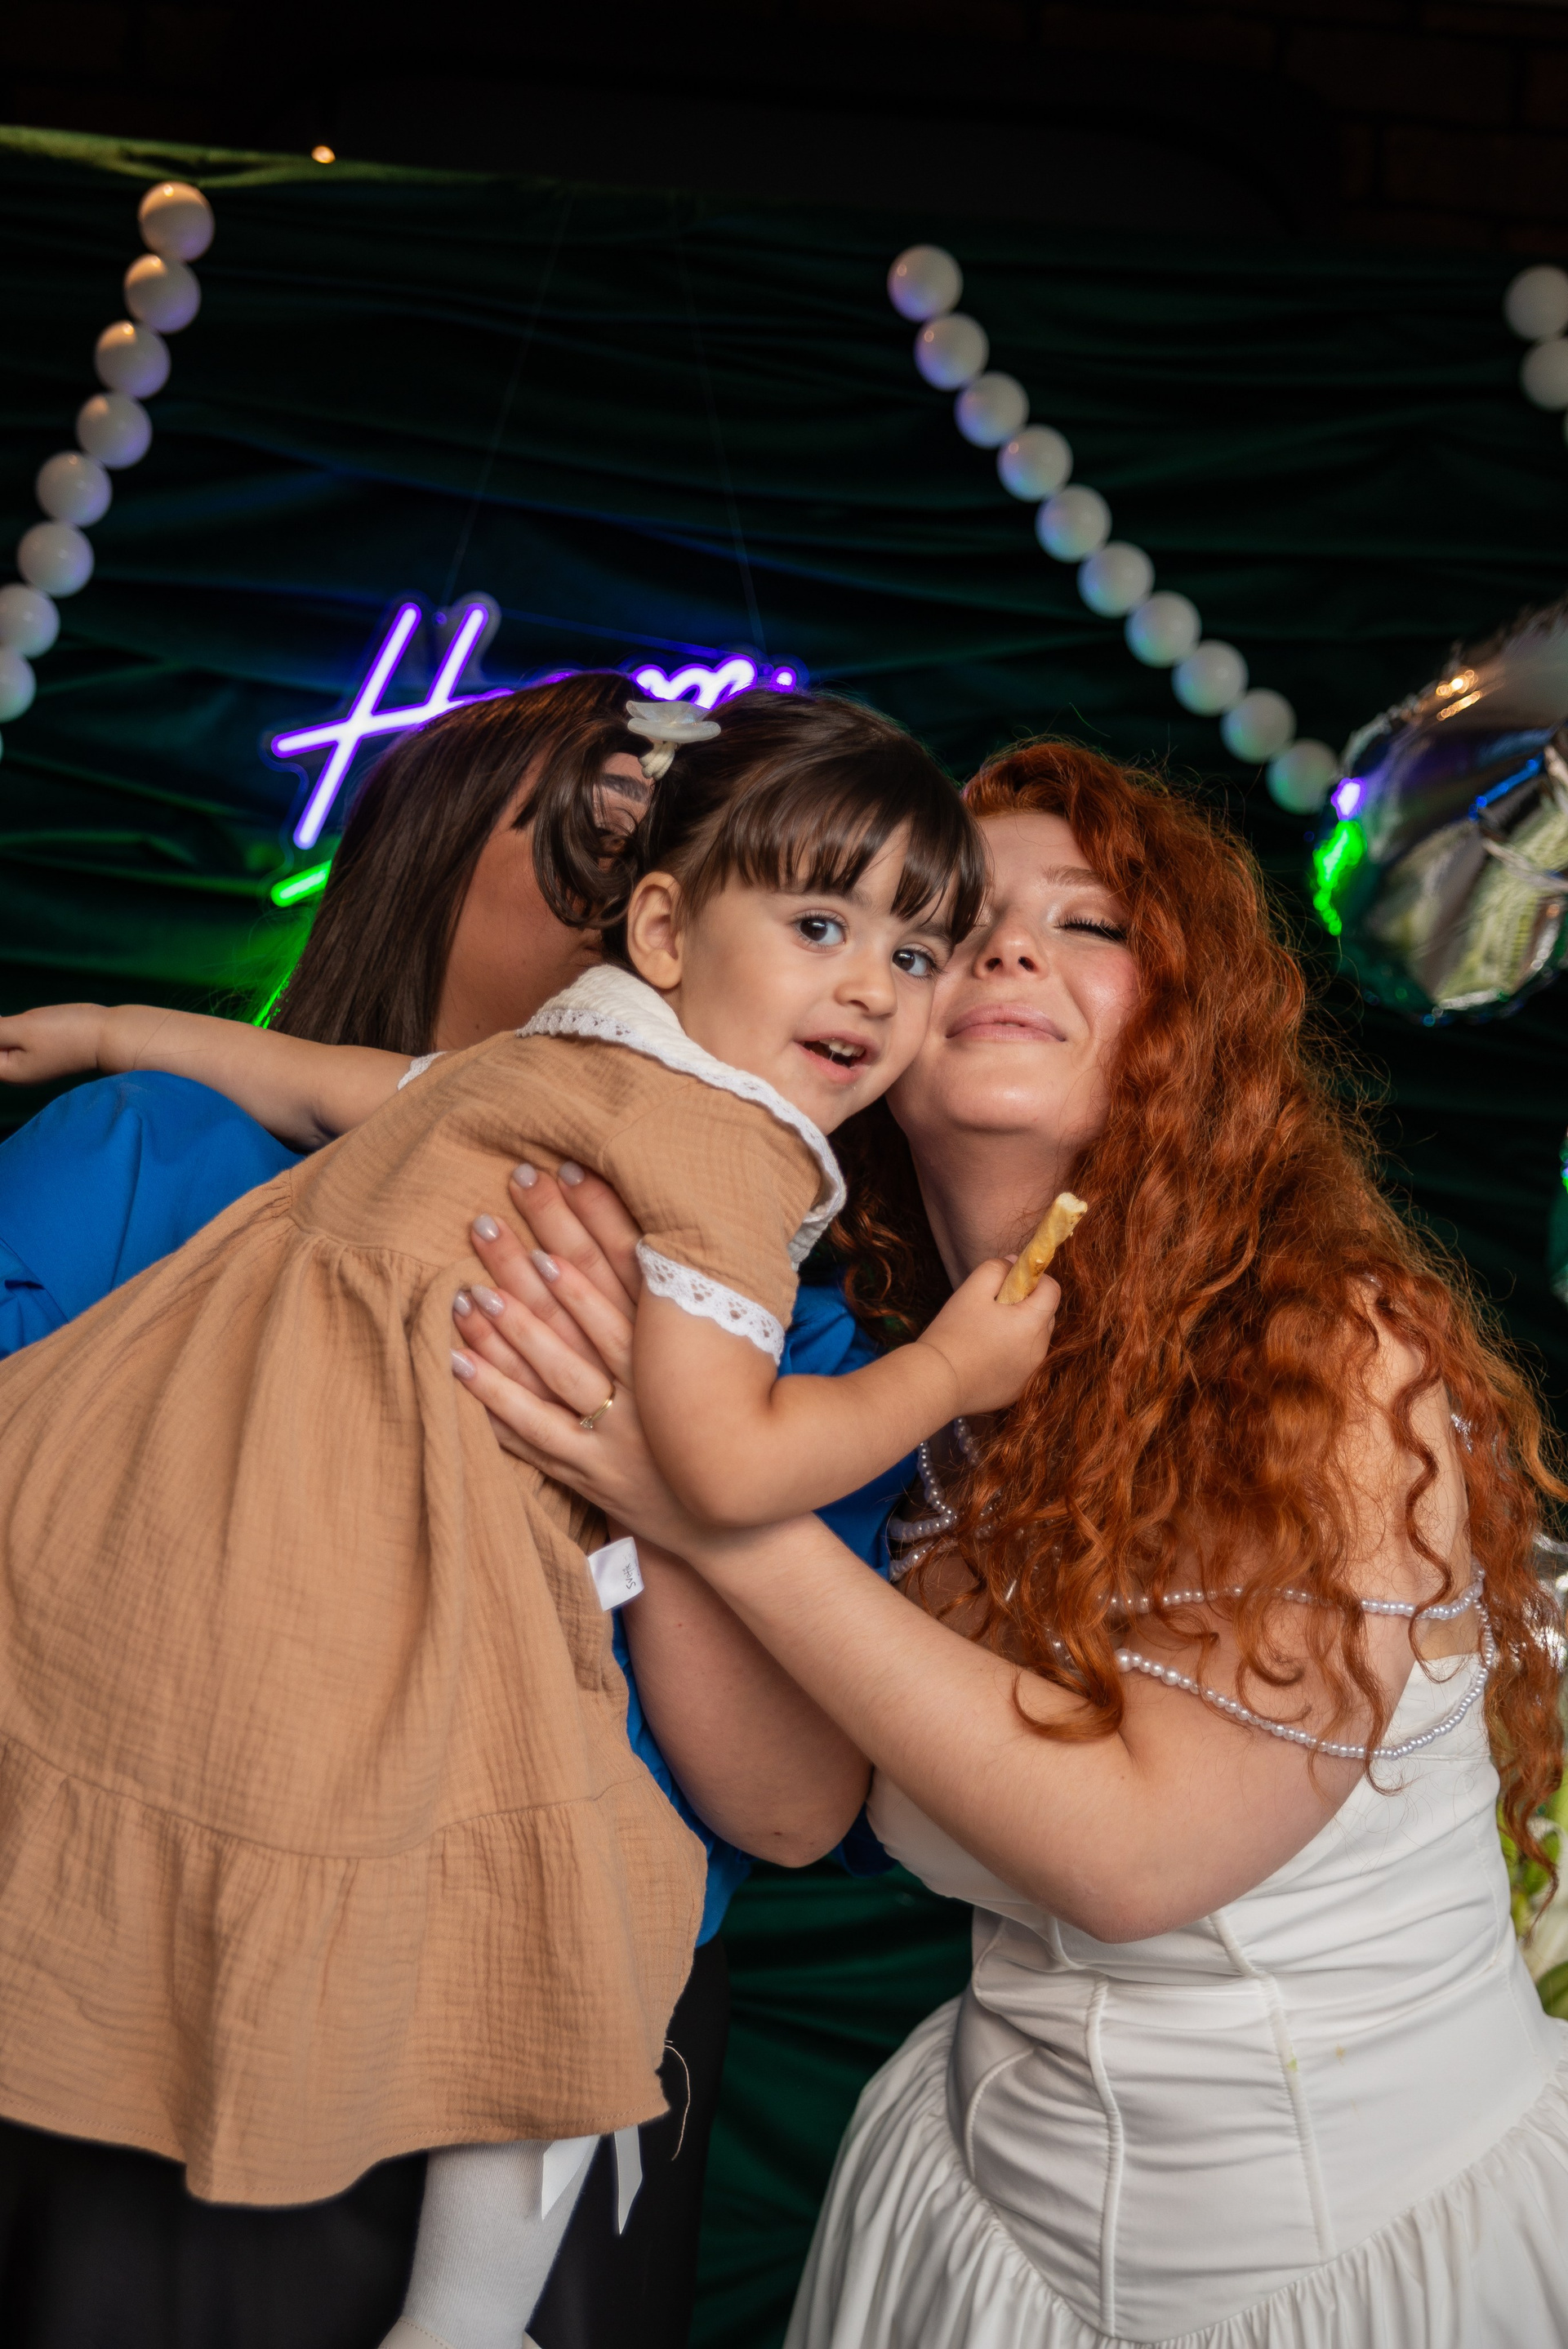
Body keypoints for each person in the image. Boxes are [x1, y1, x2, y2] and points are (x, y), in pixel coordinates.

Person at [440, 739, 1568, 2348]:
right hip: (979, 2236)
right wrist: (653, 1442)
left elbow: (1137, 1859)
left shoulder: (1325, 1358)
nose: (1010, 950)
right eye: (955, 927)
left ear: (1184, 1027)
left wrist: (700, 1496)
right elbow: (793, 1804)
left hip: (1369, 2255)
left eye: (1088, 924)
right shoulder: (890, 1380)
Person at [0, 683, 1038, 2349]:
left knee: (583, 1913)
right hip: (111, 1956)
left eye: (918, 952)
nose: (865, 978)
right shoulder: (235, 1143)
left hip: (475, 1983)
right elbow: (350, 1085)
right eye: (593, 828)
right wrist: (131, 1033)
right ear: (663, 924)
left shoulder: (757, 1226)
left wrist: (666, 1456)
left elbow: (785, 1796)